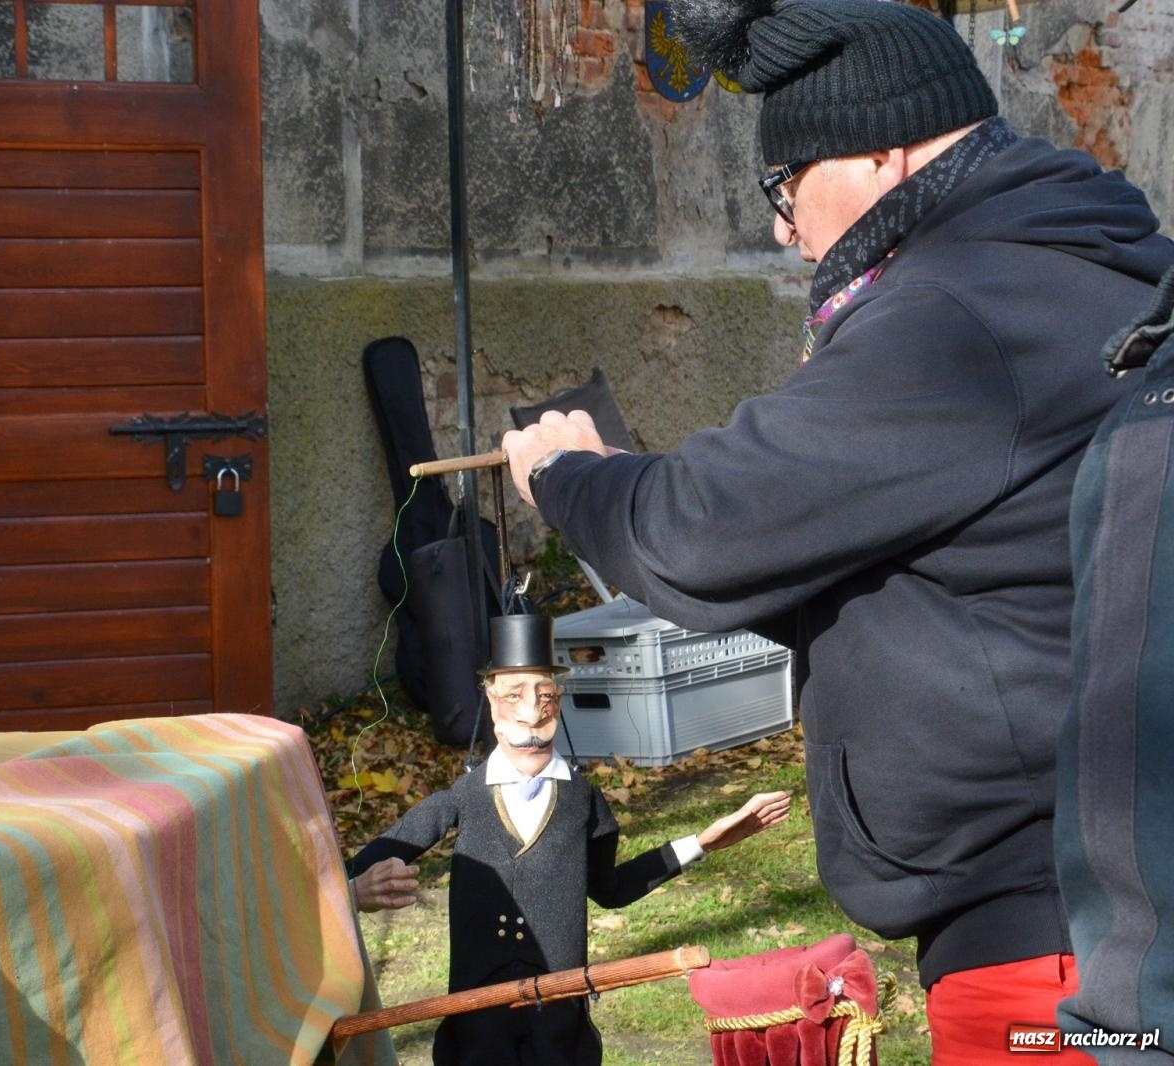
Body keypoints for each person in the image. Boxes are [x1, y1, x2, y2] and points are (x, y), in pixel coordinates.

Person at [499, 1, 1174, 1060]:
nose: (782, 227)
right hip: (1079, 891)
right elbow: (906, 560)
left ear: (877, 154)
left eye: (784, 186)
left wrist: (568, 474)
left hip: (1046, 936)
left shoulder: (959, 315)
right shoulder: (1062, 261)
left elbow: (697, 532)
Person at [349, 612, 790, 1066]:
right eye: (514, 695)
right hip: (477, 1022)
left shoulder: (584, 802)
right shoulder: (463, 798)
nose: (531, 712)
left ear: (558, 702)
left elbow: (611, 889)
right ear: (492, 700)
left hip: (559, 1022)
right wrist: (354, 892)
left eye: (545, 696)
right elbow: (354, 870)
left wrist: (702, 843)